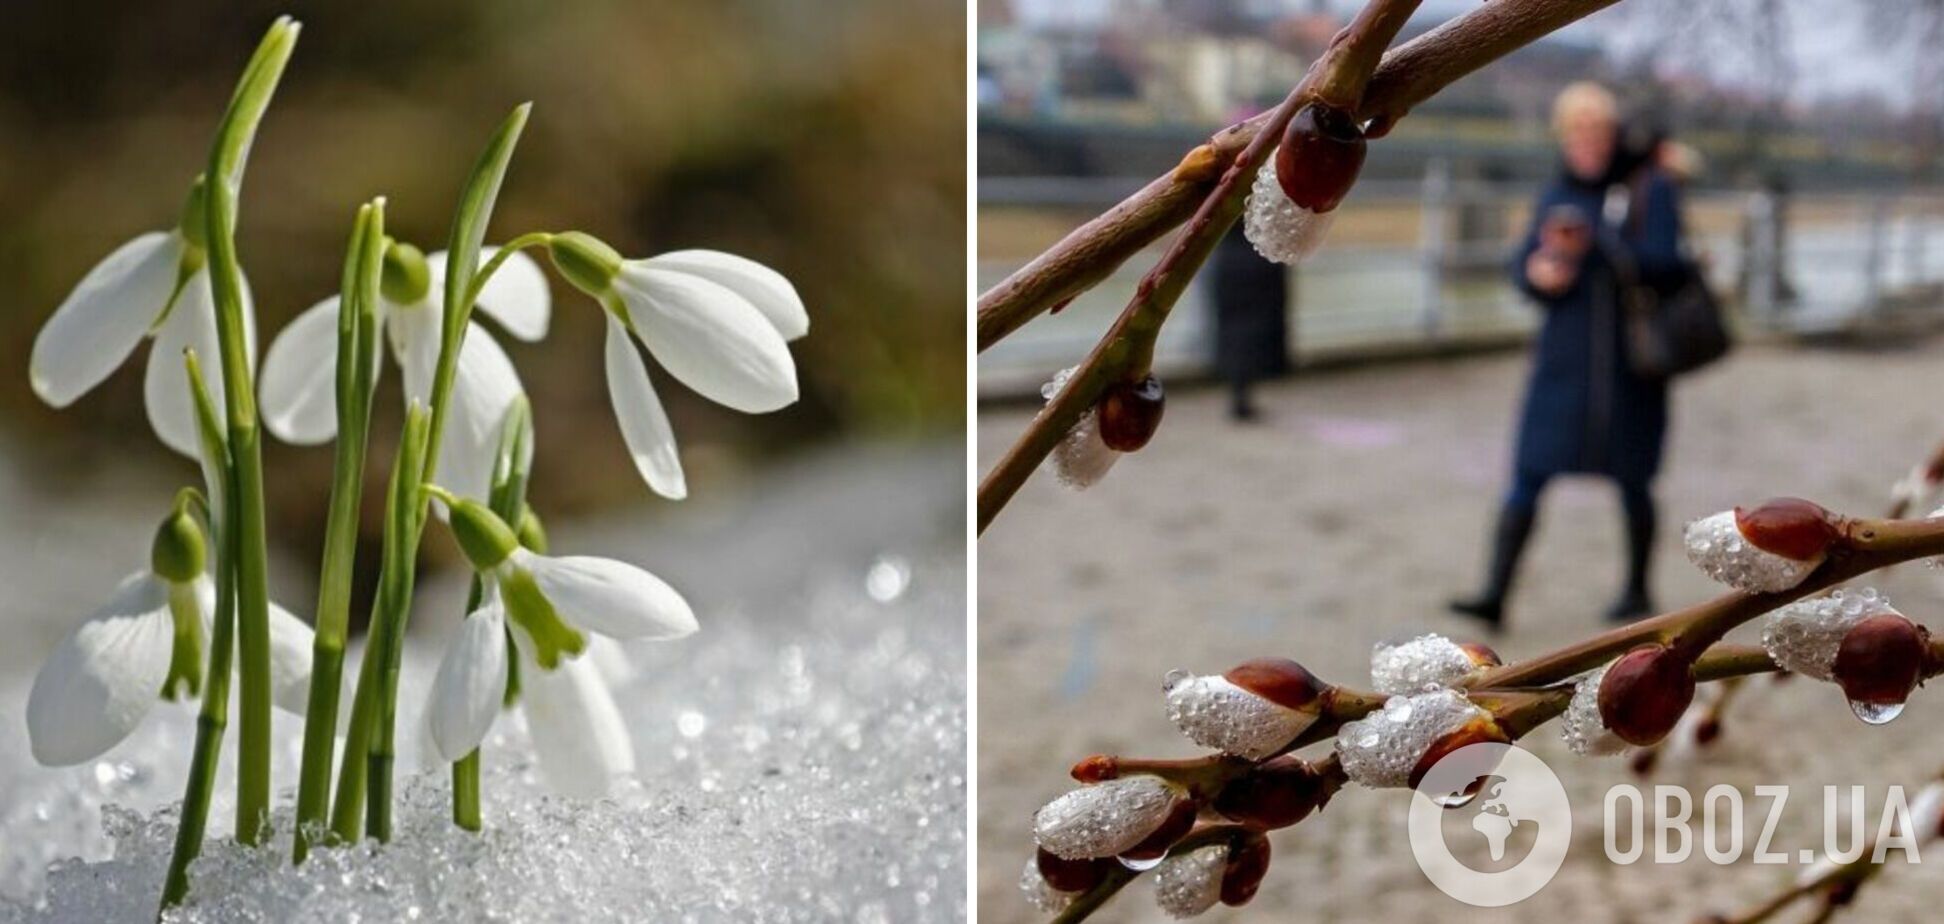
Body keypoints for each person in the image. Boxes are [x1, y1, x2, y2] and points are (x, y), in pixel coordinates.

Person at [1449, 82, 1688, 630]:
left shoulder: (1649, 188)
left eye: (1597, 129)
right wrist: (1538, 274)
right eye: (1576, 131)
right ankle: (1495, 593)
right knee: (1528, 474)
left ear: (1613, 134)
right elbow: (1521, 266)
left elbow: (1669, 267)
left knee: (1635, 479)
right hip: (1562, 362)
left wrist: (1597, 243)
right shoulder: (1555, 192)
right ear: (1564, 137)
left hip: (1631, 367)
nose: (1587, 141)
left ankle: (1636, 590)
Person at [1209, 222, 1290, 420]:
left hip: (1229, 265)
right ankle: (1243, 391)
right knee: (1251, 331)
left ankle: (1239, 390)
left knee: (1234, 330)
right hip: (1259, 261)